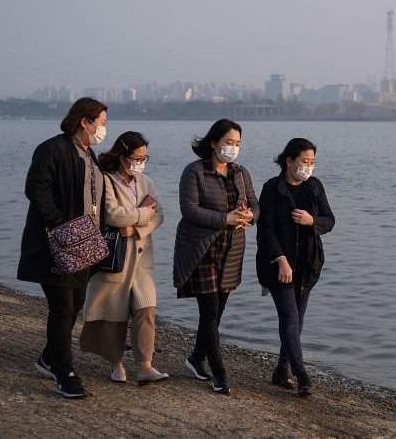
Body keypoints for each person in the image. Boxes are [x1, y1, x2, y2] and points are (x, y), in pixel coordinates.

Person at [17, 97, 108, 399]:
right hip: (55, 244)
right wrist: (59, 224)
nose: (103, 129)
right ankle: (64, 373)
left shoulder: (90, 155)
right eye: (102, 123)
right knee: (62, 307)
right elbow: (36, 189)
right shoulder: (52, 149)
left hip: (84, 246)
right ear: (85, 121)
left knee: (75, 304)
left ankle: (48, 358)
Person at [172, 118, 258, 394]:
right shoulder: (194, 171)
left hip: (231, 251)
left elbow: (255, 204)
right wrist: (225, 218)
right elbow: (189, 209)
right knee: (209, 312)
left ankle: (196, 358)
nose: (233, 148)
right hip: (201, 250)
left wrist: (249, 215)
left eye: (237, 143)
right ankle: (220, 373)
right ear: (213, 142)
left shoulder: (241, 173)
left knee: (216, 313)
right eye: (228, 142)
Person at [81, 131, 169, 386]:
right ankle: (116, 364)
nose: (140, 163)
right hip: (115, 258)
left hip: (142, 261)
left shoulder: (146, 182)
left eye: (144, 158)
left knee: (146, 308)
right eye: (136, 158)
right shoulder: (107, 181)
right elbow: (112, 214)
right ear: (122, 157)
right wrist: (142, 214)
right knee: (114, 314)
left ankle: (145, 366)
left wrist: (137, 228)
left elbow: (159, 214)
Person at [255, 138, 335, 397]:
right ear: (289, 161)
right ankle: (302, 375)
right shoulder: (272, 188)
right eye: (304, 161)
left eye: (312, 162)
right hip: (278, 266)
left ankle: (281, 370)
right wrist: (281, 260)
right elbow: (265, 231)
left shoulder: (315, 186)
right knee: (290, 318)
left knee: (296, 323)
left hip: (307, 265)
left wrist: (312, 221)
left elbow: (329, 220)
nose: (308, 167)